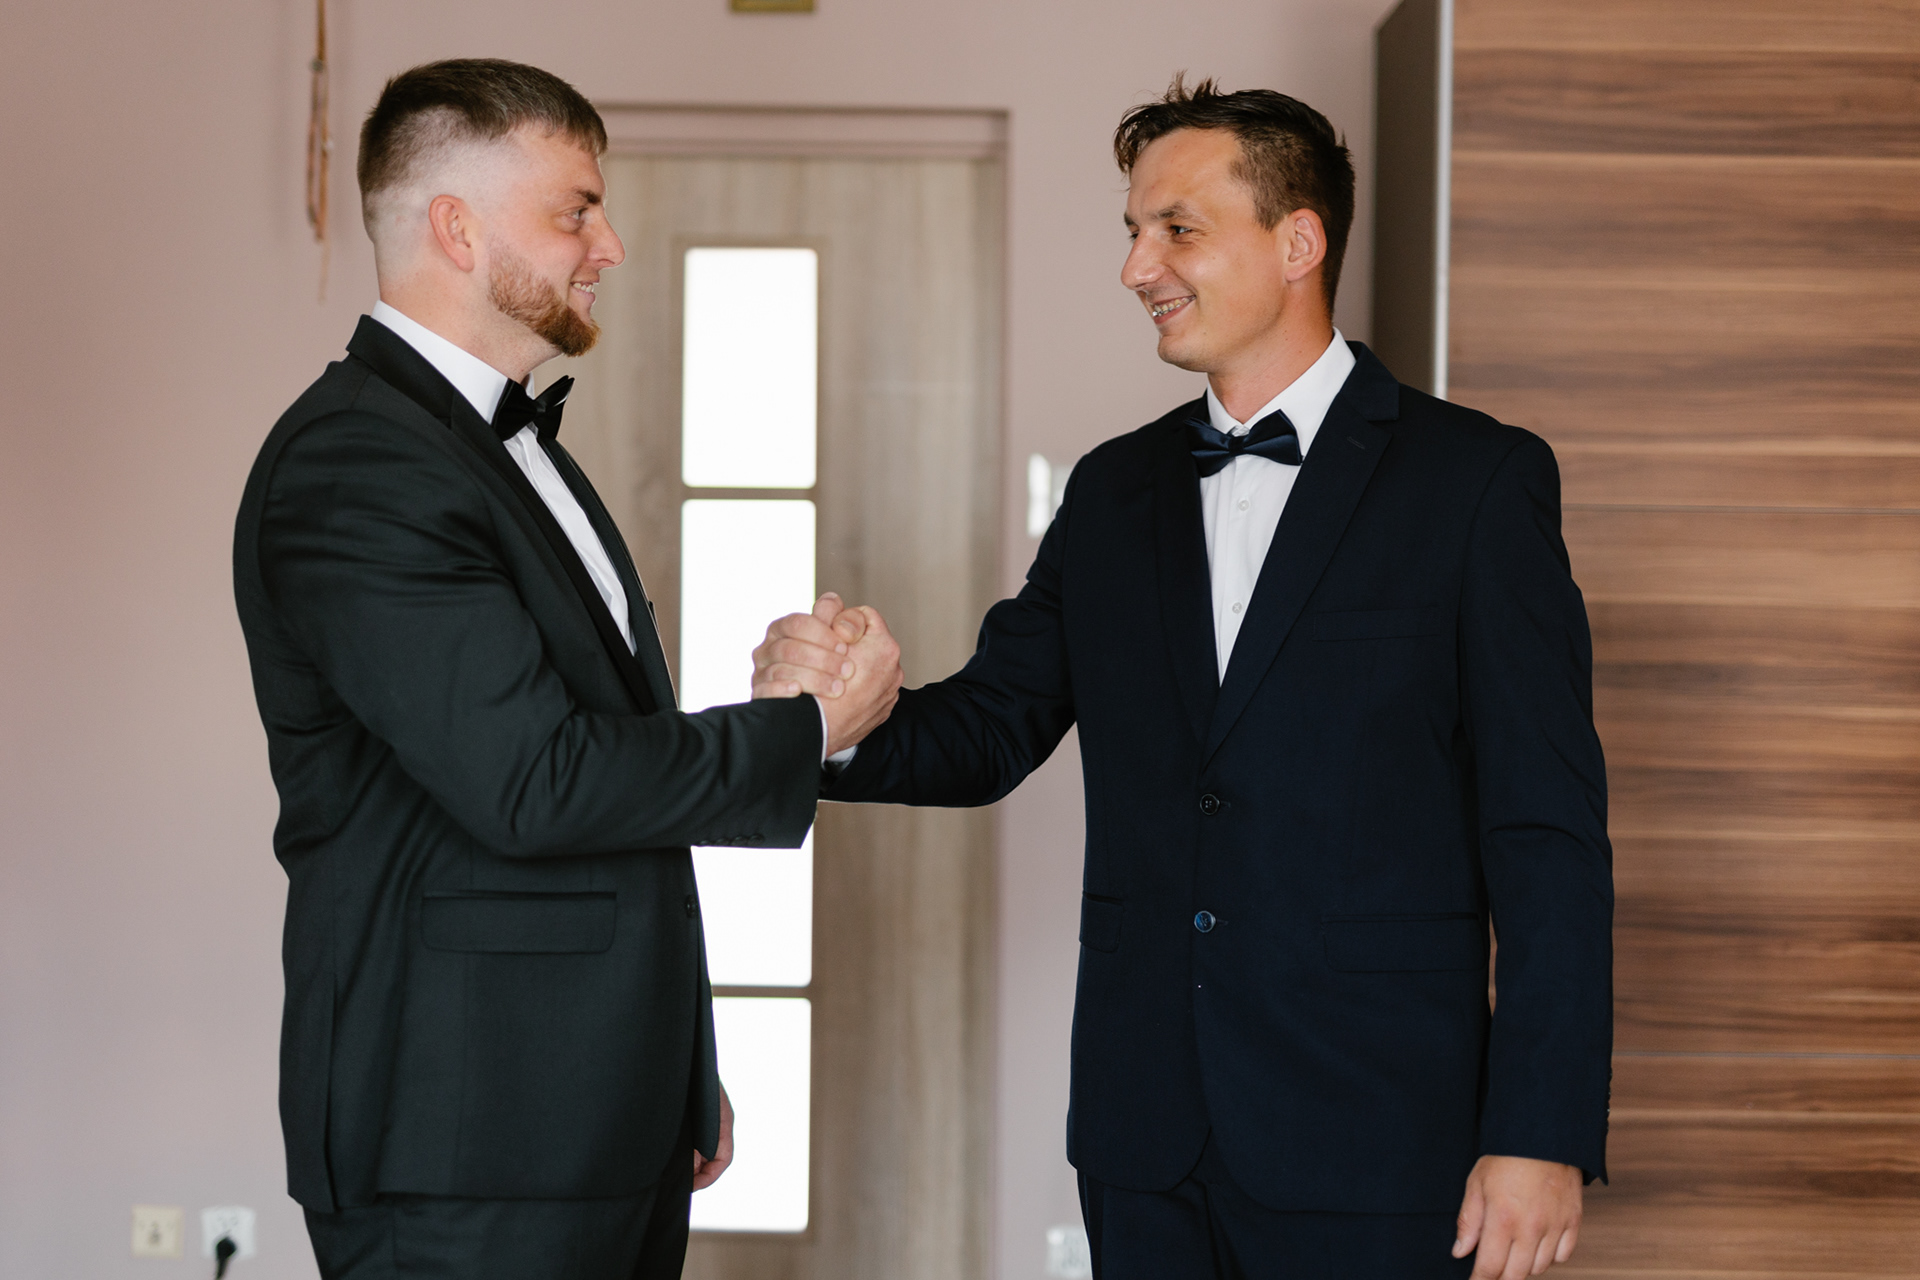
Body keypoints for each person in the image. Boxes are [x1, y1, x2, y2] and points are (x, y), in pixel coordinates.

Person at [757, 78, 1612, 1279]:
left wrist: (1540, 1127)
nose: (1136, 268)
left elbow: (1546, 832)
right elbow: (992, 724)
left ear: (1298, 242)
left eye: (1176, 229)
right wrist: (832, 718)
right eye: (1132, 231)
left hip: (1384, 1131)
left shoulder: (1477, 482)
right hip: (1144, 1132)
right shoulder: (1113, 491)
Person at [232, 59, 898, 1280]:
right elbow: (535, 781)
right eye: (575, 211)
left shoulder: (501, 443)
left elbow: (599, 804)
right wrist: (804, 729)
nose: (611, 246)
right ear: (457, 228)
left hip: (592, 1116)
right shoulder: (356, 466)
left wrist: (674, 1067)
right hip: (463, 1140)